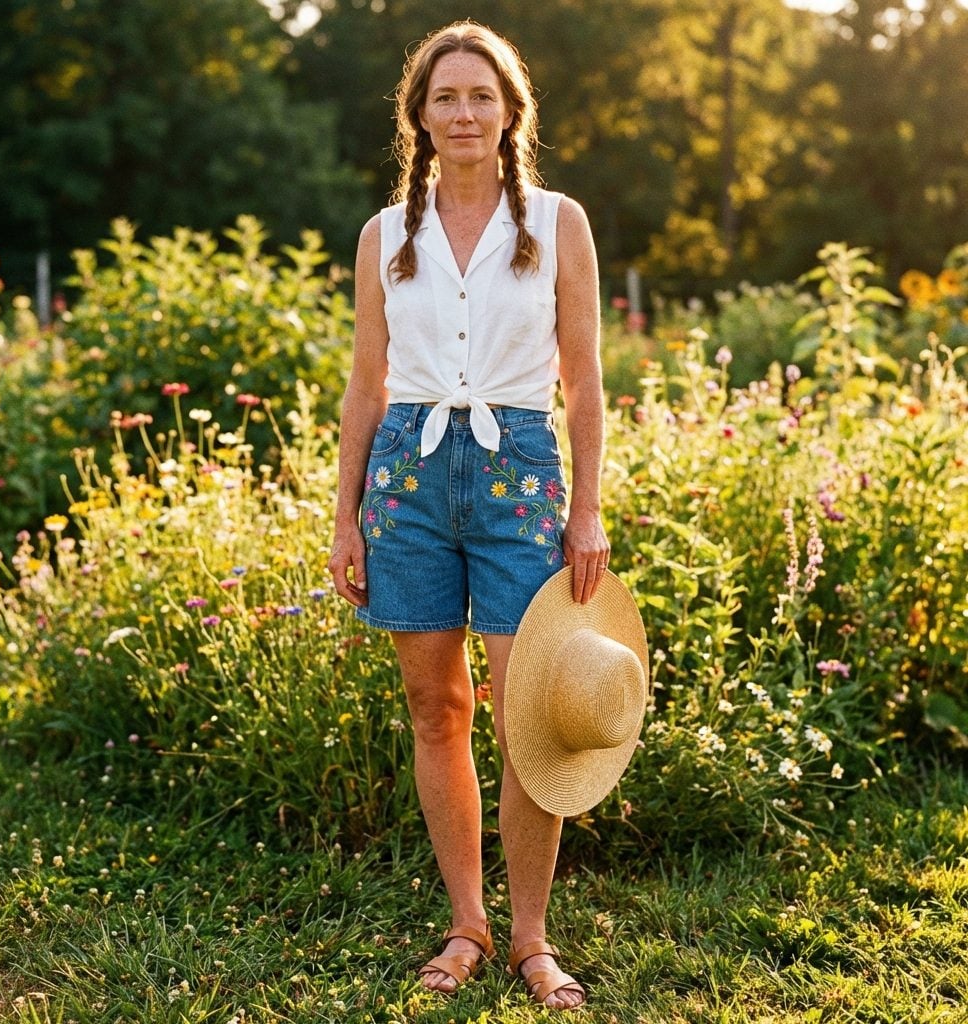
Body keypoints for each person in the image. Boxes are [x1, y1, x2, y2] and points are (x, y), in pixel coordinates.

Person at [328, 19, 608, 1011]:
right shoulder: (383, 235)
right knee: (435, 707)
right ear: (418, 117)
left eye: (479, 95)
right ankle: (468, 925)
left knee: (527, 714)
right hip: (406, 476)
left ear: (508, 113)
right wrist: (345, 514)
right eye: (443, 96)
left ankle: (533, 938)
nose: (462, 112)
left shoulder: (558, 221)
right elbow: (367, 384)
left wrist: (586, 510)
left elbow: (583, 385)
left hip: (519, 472)